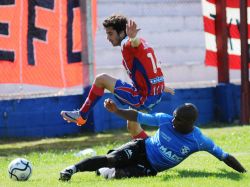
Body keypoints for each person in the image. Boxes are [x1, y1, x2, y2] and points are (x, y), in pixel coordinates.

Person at [59, 99, 247, 181]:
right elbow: (138, 116)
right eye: (174, 116)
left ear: (189, 123)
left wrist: (243, 173)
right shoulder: (165, 120)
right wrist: (116, 110)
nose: (173, 120)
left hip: (151, 167)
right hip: (141, 147)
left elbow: (224, 156)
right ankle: (71, 170)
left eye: (178, 119)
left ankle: (103, 171)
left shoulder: (199, 140)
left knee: (118, 175)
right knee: (112, 159)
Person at [60, 14, 174, 139]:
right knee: (133, 128)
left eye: (110, 33)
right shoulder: (144, 43)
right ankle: (153, 152)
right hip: (155, 95)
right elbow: (150, 69)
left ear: (121, 33)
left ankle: (81, 115)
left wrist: (133, 37)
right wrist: (162, 86)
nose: (108, 38)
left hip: (143, 98)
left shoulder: (127, 44)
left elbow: (133, 43)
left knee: (101, 79)